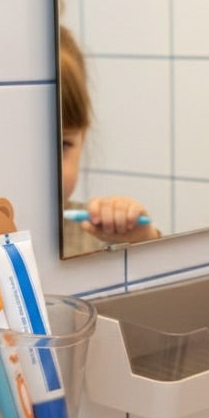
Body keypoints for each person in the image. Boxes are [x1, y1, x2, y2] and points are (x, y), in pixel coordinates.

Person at [59, 24, 160, 253]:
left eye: (64, 145)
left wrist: (141, 240)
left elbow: (164, 278)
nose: (49, 173)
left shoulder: (95, 233)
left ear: (83, 139)